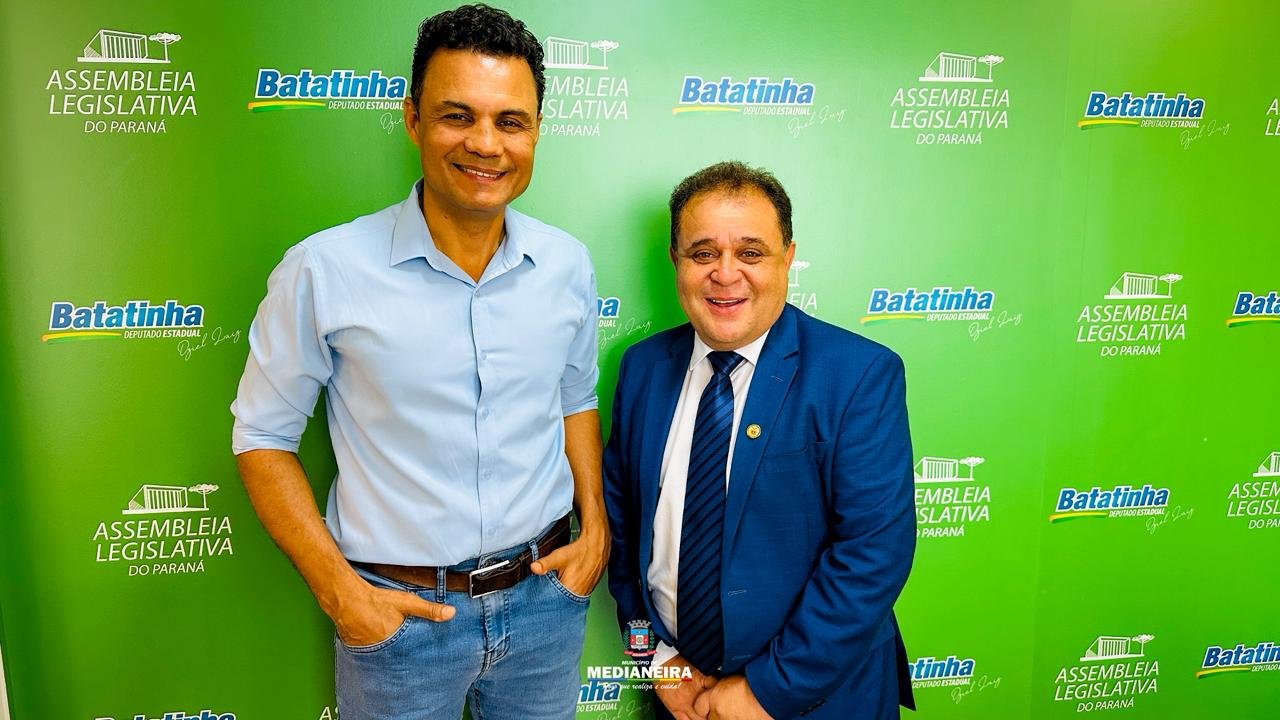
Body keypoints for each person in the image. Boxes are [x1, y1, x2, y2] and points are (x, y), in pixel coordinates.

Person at [230, 5, 607, 719]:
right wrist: (342, 595)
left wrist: (597, 531)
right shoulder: (324, 270)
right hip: (399, 622)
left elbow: (575, 397)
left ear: (535, 130)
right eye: (457, 116)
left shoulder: (567, 265)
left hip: (548, 604)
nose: (485, 143)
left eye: (510, 121)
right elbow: (261, 437)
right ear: (412, 120)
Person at [604, 161, 916, 720]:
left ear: (787, 258)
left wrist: (764, 692)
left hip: (816, 700)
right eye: (703, 253)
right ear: (676, 260)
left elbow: (872, 555)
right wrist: (656, 661)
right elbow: (624, 536)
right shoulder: (643, 368)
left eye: (750, 253)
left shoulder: (859, 374)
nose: (725, 274)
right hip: (680, 695)